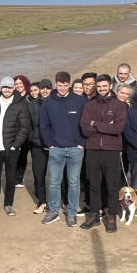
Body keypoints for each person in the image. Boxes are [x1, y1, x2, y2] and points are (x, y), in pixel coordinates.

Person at [79, 74, 128, 233]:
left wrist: (97, 124)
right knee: (93, 184)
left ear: (110, 87)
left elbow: (118, 129)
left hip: (111, 150)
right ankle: (94, 215)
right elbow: (85, 128)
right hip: (93, 149)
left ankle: (112, 216)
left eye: (104, 86)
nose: (101, 89)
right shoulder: (90, 105)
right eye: (99, 87)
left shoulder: (119, 106)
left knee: (111, 185)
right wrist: (105, 126)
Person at [40, 72, 86, 227]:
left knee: (73, 182)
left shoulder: (79, 101)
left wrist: (81, 142)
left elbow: (85, 123)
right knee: (54, 181)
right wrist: (50, 143)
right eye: (59, 85)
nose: (62, 88)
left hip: (75, 148)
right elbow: (44, 126)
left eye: (65, 85)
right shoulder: (48, 103)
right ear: (55, 84)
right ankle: (53, 210)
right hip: (56, 149)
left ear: (69, 84)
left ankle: (72, 212)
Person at [0, 79, 29, 216]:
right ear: (0, 88)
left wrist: (15, 145)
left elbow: (24, 127)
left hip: (11, 149)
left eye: (9, 87)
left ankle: (8, 204)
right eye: (4, 87)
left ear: (13, 88)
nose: (7, 90)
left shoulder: (20, 105)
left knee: (10, 177)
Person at [26, 80, 52, 214]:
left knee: (56, 176)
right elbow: (27, 124)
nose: (45, 91)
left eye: (48, 88)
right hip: (37, 145)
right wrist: (32, 137)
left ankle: (60, 202)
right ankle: (42, 202)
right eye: (43, 88)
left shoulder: (56, 103)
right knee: (38, 174)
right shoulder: (32, 105)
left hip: (54, 146)